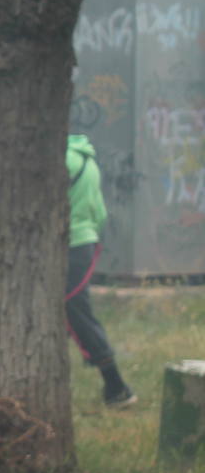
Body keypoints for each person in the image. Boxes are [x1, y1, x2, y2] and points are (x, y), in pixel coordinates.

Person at [66, 133, 135, 408]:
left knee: (76, 311)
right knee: (72, 310)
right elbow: (100, 213)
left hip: (71, 244)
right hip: (85, 242)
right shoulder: (88, 160)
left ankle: (116, 386)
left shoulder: (63, 160)